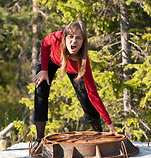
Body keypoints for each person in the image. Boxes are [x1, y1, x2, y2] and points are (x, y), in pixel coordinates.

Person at [33, 21, 116, 149]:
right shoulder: (57, 37)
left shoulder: (83, 62)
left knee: (85, 95)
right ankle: (39, 140)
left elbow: (93, 94)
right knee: (41, 89)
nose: (74, 41)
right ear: (64, 37)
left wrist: (109, 123)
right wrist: (44, 69)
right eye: (71, 36)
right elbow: (45, 43)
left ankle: (99, 133)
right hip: (50, 59)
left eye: (78, 37)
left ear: (83, 41)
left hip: (72, 67)